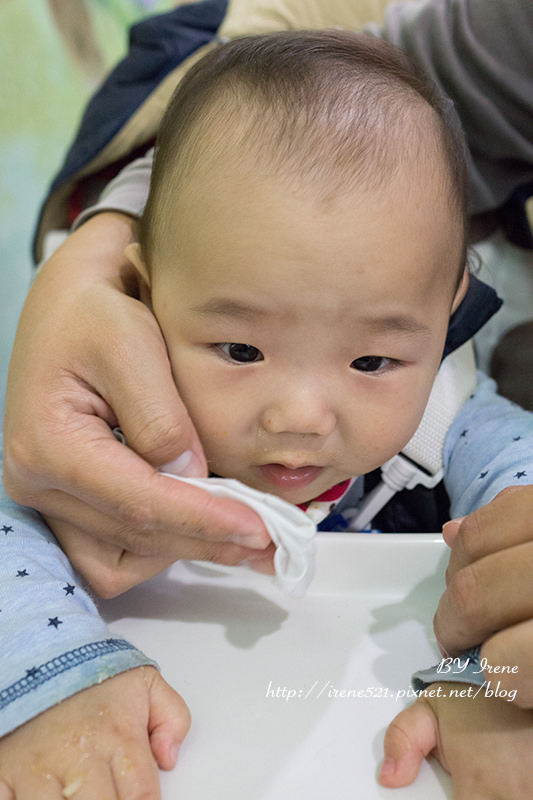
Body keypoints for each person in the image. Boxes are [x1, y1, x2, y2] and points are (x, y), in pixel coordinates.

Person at [2, 30, 533, 799]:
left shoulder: (445, 413)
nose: (299, 416)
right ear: (145, 292)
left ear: (446, 313)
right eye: (241, 350)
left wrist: (498, 673)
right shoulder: (114, 422)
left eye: (372, 362)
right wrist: (53, 682)